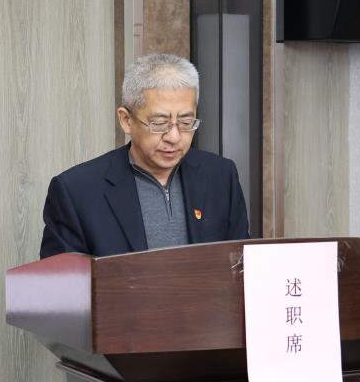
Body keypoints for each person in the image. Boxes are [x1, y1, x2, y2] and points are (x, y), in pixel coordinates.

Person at [40, 53, 249, 259]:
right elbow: (61, 280)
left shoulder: (220, 176)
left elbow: (242, 267)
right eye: (159, 123)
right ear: (126, 120)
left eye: (186, 122)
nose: (174, 137)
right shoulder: (77, 192)